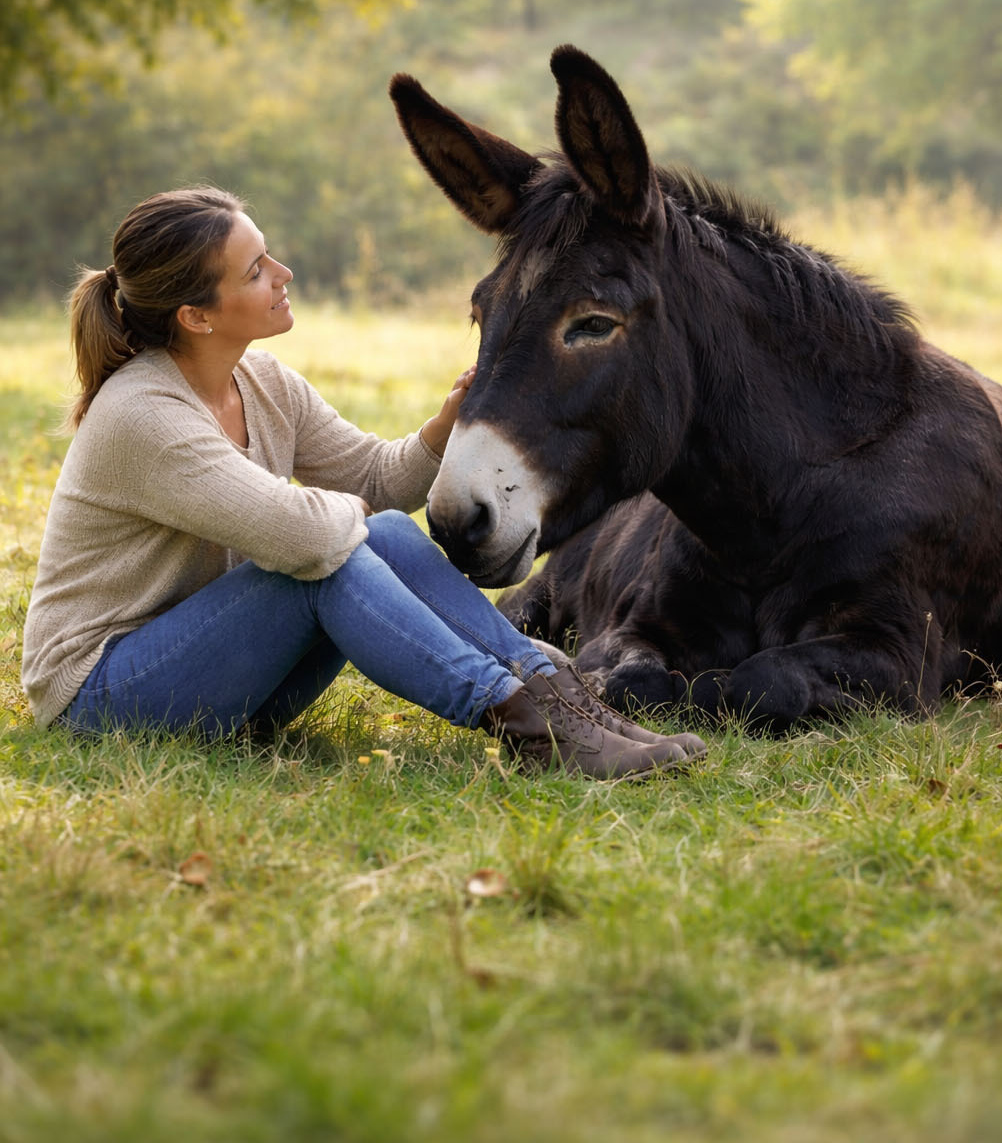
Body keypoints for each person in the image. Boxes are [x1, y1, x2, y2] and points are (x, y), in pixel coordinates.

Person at [21, 187, 706, 780]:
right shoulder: (142, 416)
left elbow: (376, 479)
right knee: (327, 559)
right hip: (105, 695)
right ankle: (529, 725)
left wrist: (440, 431)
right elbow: (305, 538)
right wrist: (340, 515)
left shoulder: (262, 383)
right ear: (197, 316)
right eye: (256, 271)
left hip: (231, 681)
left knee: (373, 532)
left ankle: (560, 701)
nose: (282, 273)